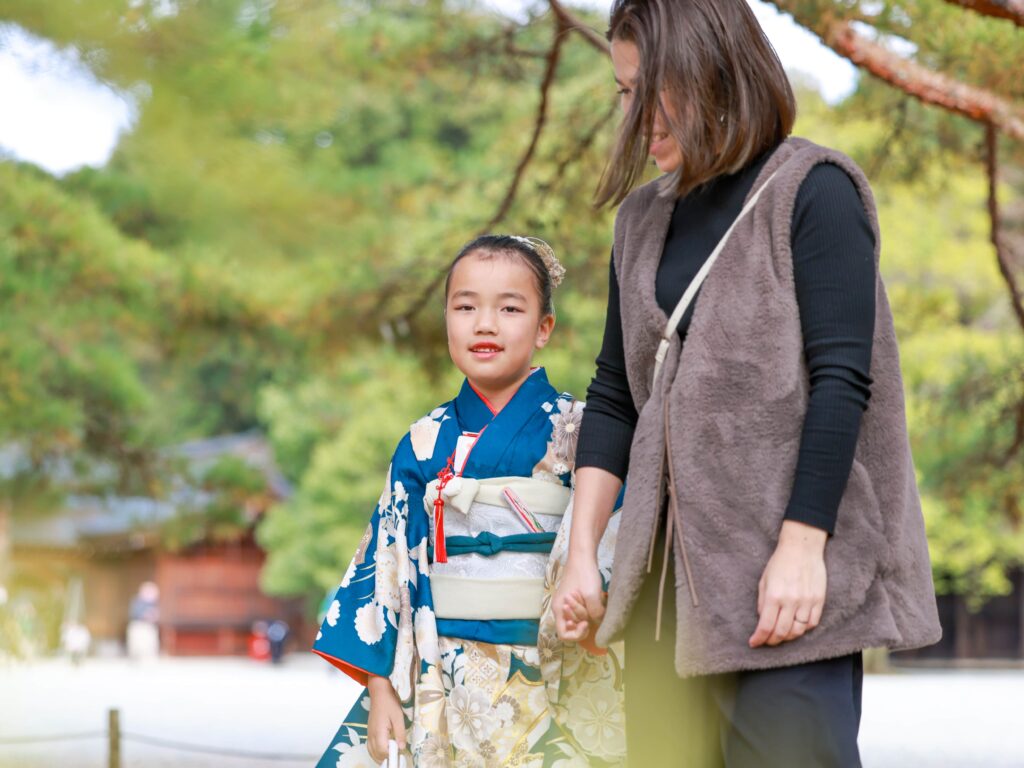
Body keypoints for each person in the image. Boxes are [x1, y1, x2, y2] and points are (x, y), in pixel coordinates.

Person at [552, 1, 942, 766]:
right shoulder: (639, 220)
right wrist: (581, 553)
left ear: (709, 72)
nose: (629, 116)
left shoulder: (815, 189)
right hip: (663, 598)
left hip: (782, 595)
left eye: (644, 91)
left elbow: (842, 381)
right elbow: (613, 393)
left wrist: (803, 550)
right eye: (621, 92)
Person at [312, 235, 625, 767]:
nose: (485, 324)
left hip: (551, 661)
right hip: (445, 670)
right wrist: (382, 686)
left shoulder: (582, 431)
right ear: (447, 322)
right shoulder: (422, 441)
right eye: (466, 307)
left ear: (544, 327)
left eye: (509, 307)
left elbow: (616, 535)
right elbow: (387, 566)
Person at [127, 581, 160, 661]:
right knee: (138, 647)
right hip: (139, 627)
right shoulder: (137, 602)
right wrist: (146, 616)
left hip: (149, 627)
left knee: (149, 647)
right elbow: (135, 614)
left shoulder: (153, 603)